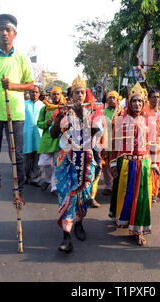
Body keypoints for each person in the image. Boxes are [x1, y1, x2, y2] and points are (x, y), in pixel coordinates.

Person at [0, 14, 34, 205]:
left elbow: (30, 85)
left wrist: (12, 86)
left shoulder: (22, 59)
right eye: (1, 29)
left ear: (14, 34)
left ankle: (18, 191)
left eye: (8, 29)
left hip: (15, 113)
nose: (4, 32)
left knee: (16, 155)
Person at [50, 75, 105, 253]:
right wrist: (59, 119)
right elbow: (53, 134)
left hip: (86, 159)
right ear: (71, 95)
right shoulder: (63, 111)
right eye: (76, 93)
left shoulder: (94, 111)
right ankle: (66, 237)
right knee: (66, 196)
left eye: (82, 92)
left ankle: (79, 223)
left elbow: (98, 132)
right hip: (66, 160)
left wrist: (85, 117)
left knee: (83, 196)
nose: (80, 95)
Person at [109, 82, 160, 246]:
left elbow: (153, 143)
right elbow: (114, 143)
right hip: (126, 164)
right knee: (126, 196)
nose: (137, 104)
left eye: (140, 101)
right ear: (129, 103)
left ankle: (138, 231)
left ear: (144, 102)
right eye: (134, 101)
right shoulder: (121, 119)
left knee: (142, 198)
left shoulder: (149, 120)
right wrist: (113, 164)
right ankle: (123, 220)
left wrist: (154, 165)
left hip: (143, 164)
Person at [37, 86, 65, 196]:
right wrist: (46, 123)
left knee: (57, 165)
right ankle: (48, 180)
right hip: (47, 140)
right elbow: (39, 123)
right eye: (54, 94)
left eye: (58, 94)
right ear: (51, 95)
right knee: (43, 163)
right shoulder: (45, 108)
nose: (56, 96)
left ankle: (54, 187)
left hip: (59, 141)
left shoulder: (64, 108)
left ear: (61, 95)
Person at [144, 89, 160, 203]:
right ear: (148, 99)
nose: (156, 99)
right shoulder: (144, 111)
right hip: (146, 145)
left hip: (158, 144)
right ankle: (147, 191)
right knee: (148, 167)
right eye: (154, 97)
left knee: (157, 168)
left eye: (158, 97)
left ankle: (154, 192)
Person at [100, 90, 123, 197]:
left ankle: (116, 185)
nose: (111, 100)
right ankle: (108, 185)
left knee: (117, 162)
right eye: (109, 98)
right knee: (105, 164)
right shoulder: (103, 112)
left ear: (118, 100)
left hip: (118, 141)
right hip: (105, 140)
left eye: (114, 98)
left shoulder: (121, 112)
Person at [23, 84, 43, 186]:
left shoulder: (43, 106)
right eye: (32, 92)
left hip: (39, 135)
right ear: (29, 93)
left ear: (39, 94)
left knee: (37, 157)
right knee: (26, 157)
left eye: (36, 92)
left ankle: (35, 178)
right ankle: (25, 176)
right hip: (26, 134)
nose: (34, 94)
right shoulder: (24, 104)